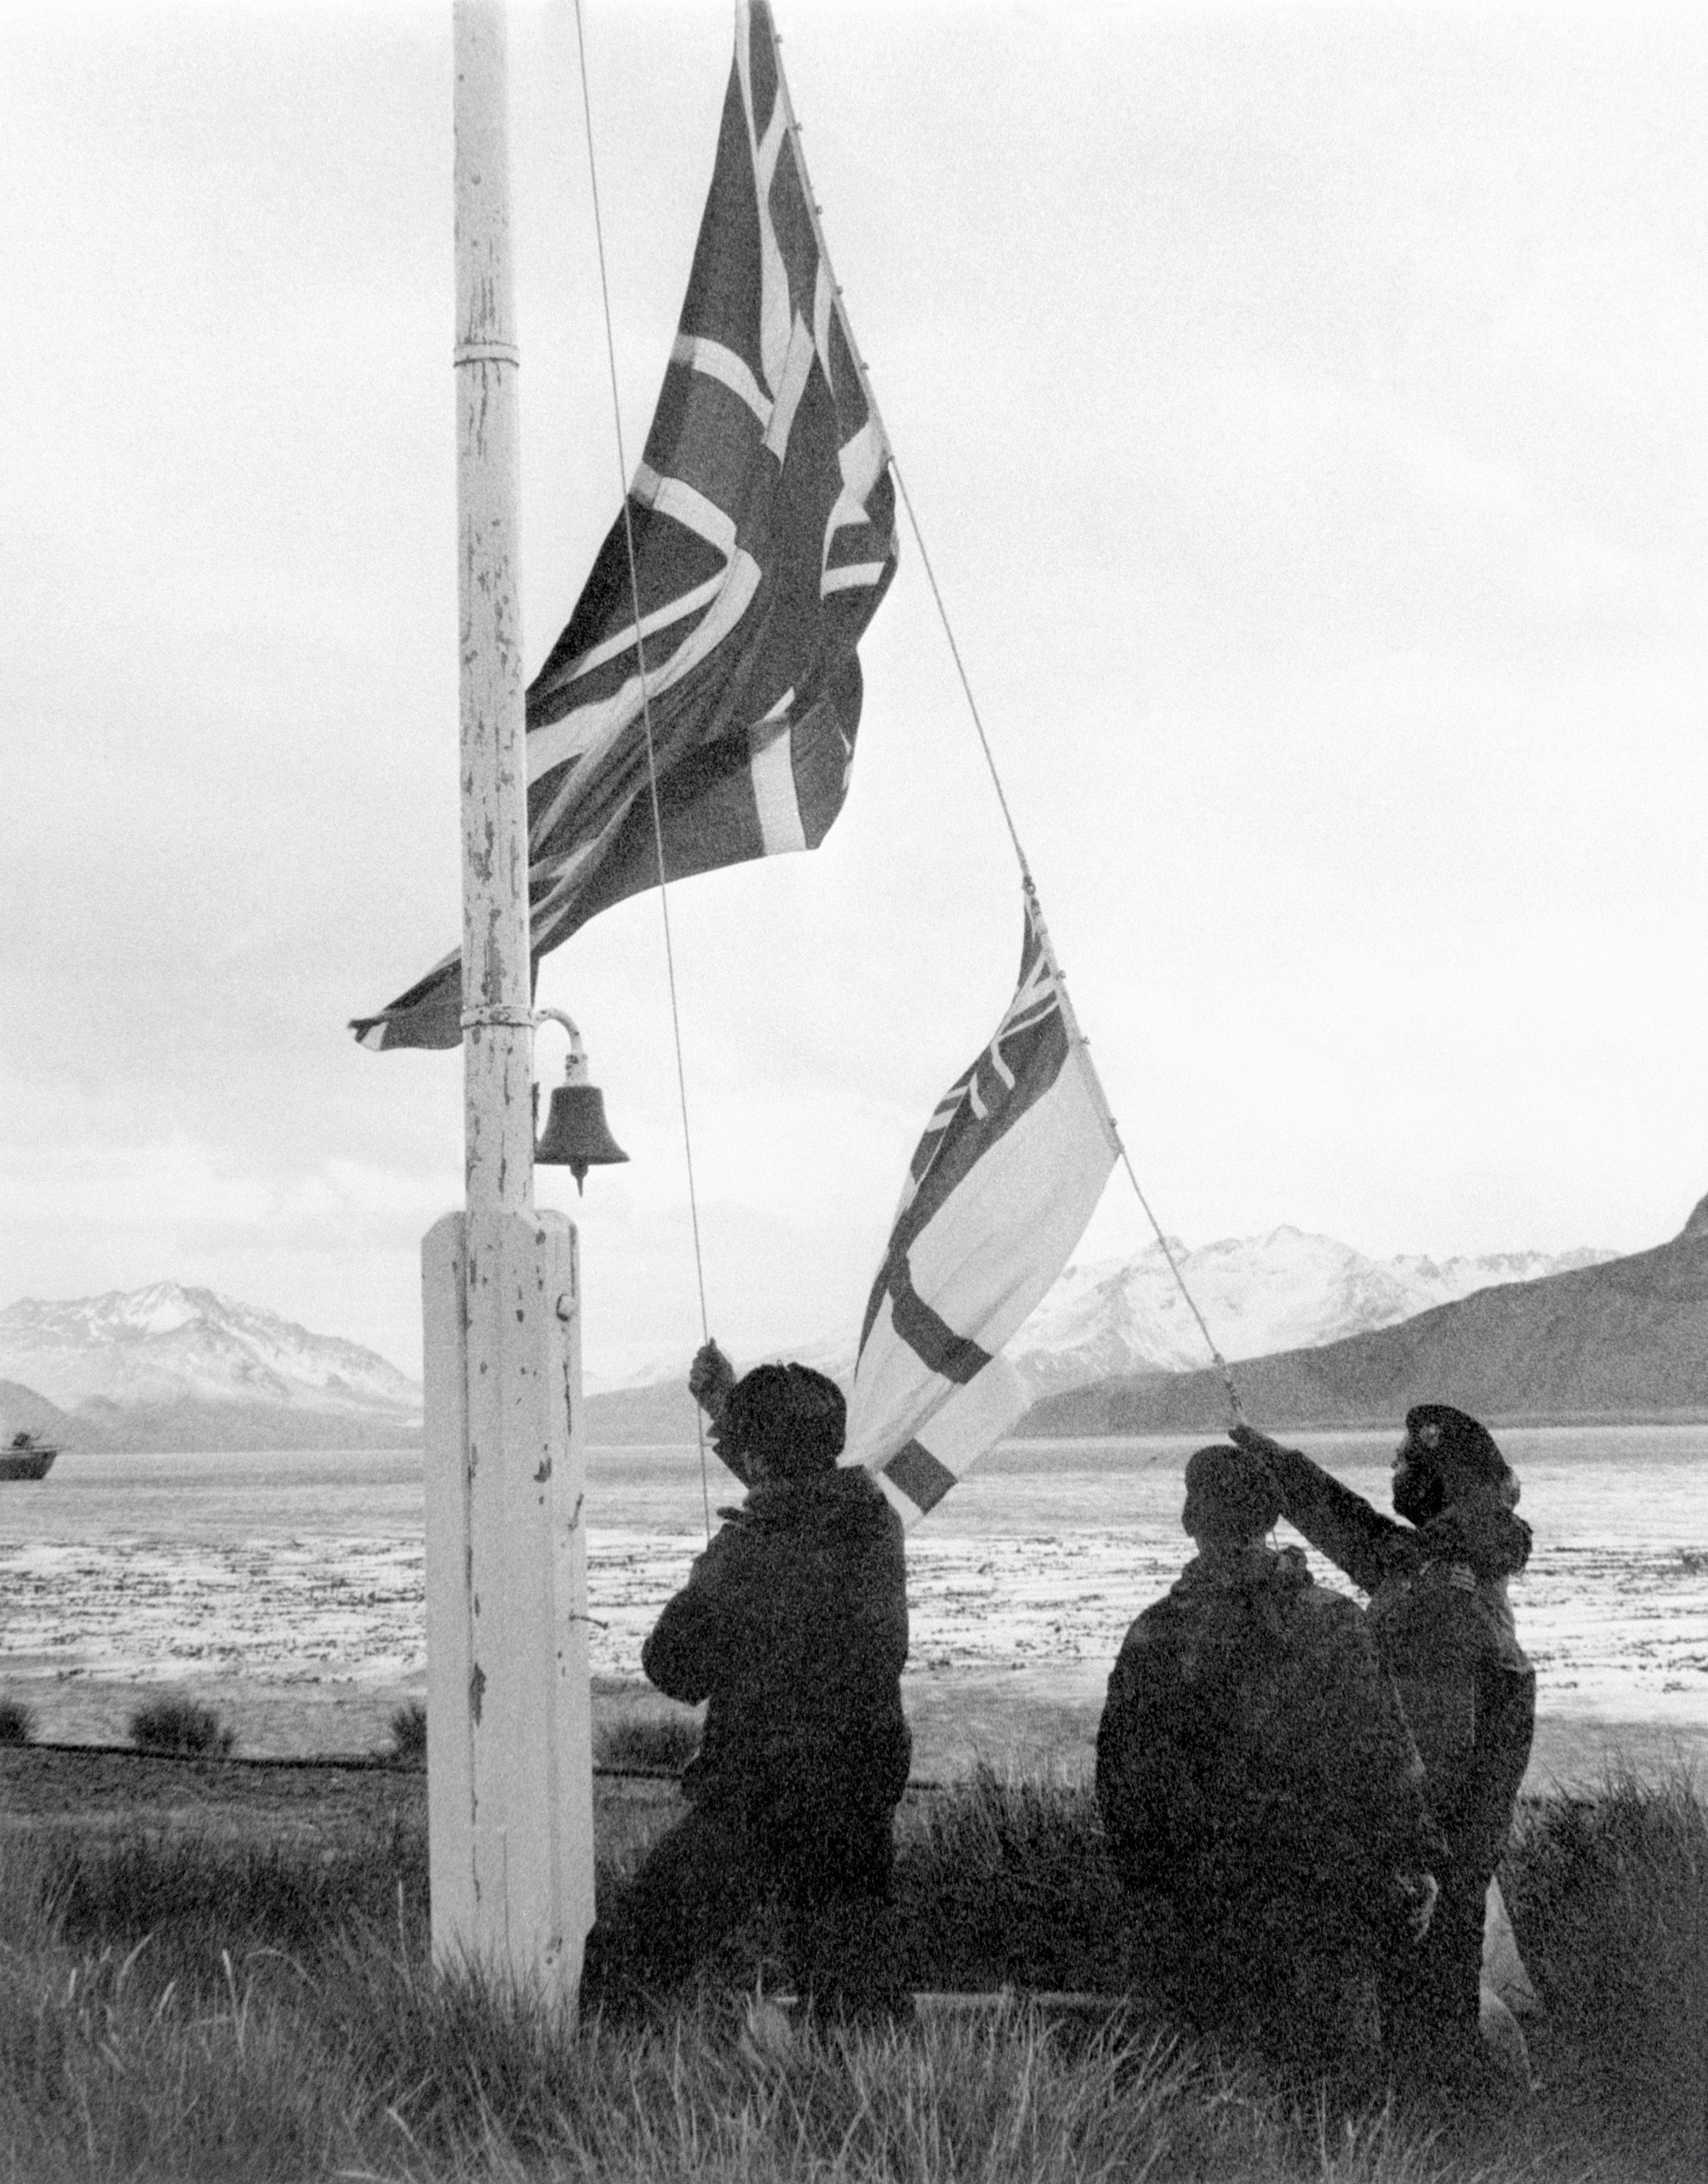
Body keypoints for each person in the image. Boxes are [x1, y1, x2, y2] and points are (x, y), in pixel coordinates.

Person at [579, 1343, 913, 2021]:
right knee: (855, 1991)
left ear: (757, 1459)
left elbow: (672, 1667)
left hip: (759, 1800)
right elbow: (799, 1482)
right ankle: (877, 2104)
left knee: (632, 1960)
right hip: (858, 1789)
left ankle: (600, 2091)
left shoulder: (749, 1554)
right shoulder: (875, 1521)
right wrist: (727, 1407)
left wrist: (715, 1570)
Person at [1097, 1443, 1443, 2093]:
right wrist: (1413, 1861)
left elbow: (1121, 1784)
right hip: (1324, 1906)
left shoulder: (1156, 1634)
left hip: (1198, 1910)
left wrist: (1146, 1889)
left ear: (1190, 1521)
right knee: (1331, 2109)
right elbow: (1384, 1756)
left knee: (1206, 2099)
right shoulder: (1335, 1624)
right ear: (1272, 1520)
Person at [1232, 1406, 1536, 2088]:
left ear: (1438, 1476)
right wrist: (1272, 1457)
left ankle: (1440, 2131)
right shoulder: (1443, 1561)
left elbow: (1438, 1750)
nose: (1393, 1471)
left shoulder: (1440, 1591)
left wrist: (1412, 1855)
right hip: (1446, 1843)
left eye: (1404, 1462)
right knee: (1436, 1994)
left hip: (1429, 1844)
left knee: (1425, 2001)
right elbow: (1353, 1526)